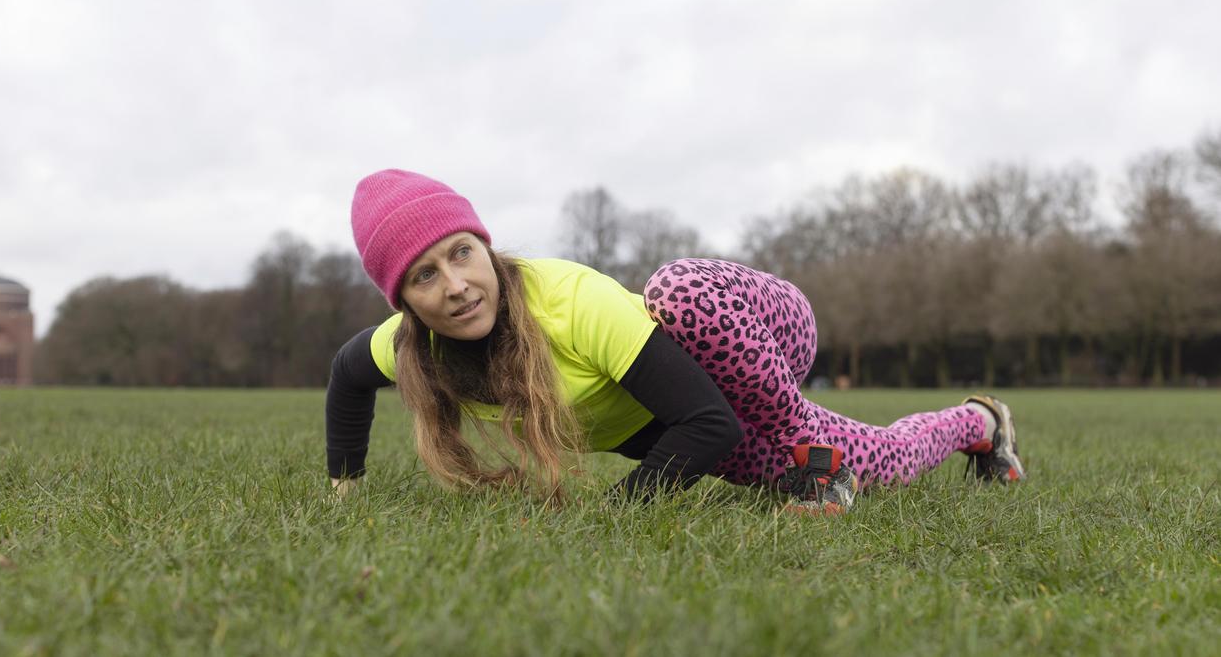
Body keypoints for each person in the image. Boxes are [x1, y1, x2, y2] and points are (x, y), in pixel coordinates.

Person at [325, 169, 1026, 514]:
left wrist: (619, 512)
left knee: (677, 291)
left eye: (460, 254)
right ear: (405, 300)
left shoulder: (568, 300)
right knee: (880, 463)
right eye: (424, 275)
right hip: (695, 414)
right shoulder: (414, 347)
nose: (453, 284)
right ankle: (981, 425)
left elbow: (709, 418)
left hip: (756, 331)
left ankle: (822, 462)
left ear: (484, 245)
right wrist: (345, 482)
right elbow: (345, 374)